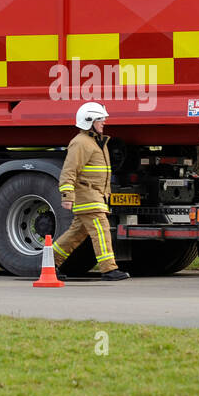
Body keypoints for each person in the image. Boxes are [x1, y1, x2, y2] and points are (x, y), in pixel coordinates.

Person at [54, 102, 129, 281]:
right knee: (101, 229)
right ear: (89, 121)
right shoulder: (81, 143)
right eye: (100, 119)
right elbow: (69, 171)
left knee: (76, 233)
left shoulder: (94, 142)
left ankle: (49, 263)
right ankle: (109, 269)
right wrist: (67, 196)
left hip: (95, 194)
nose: (103, 122)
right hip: (87, 194)